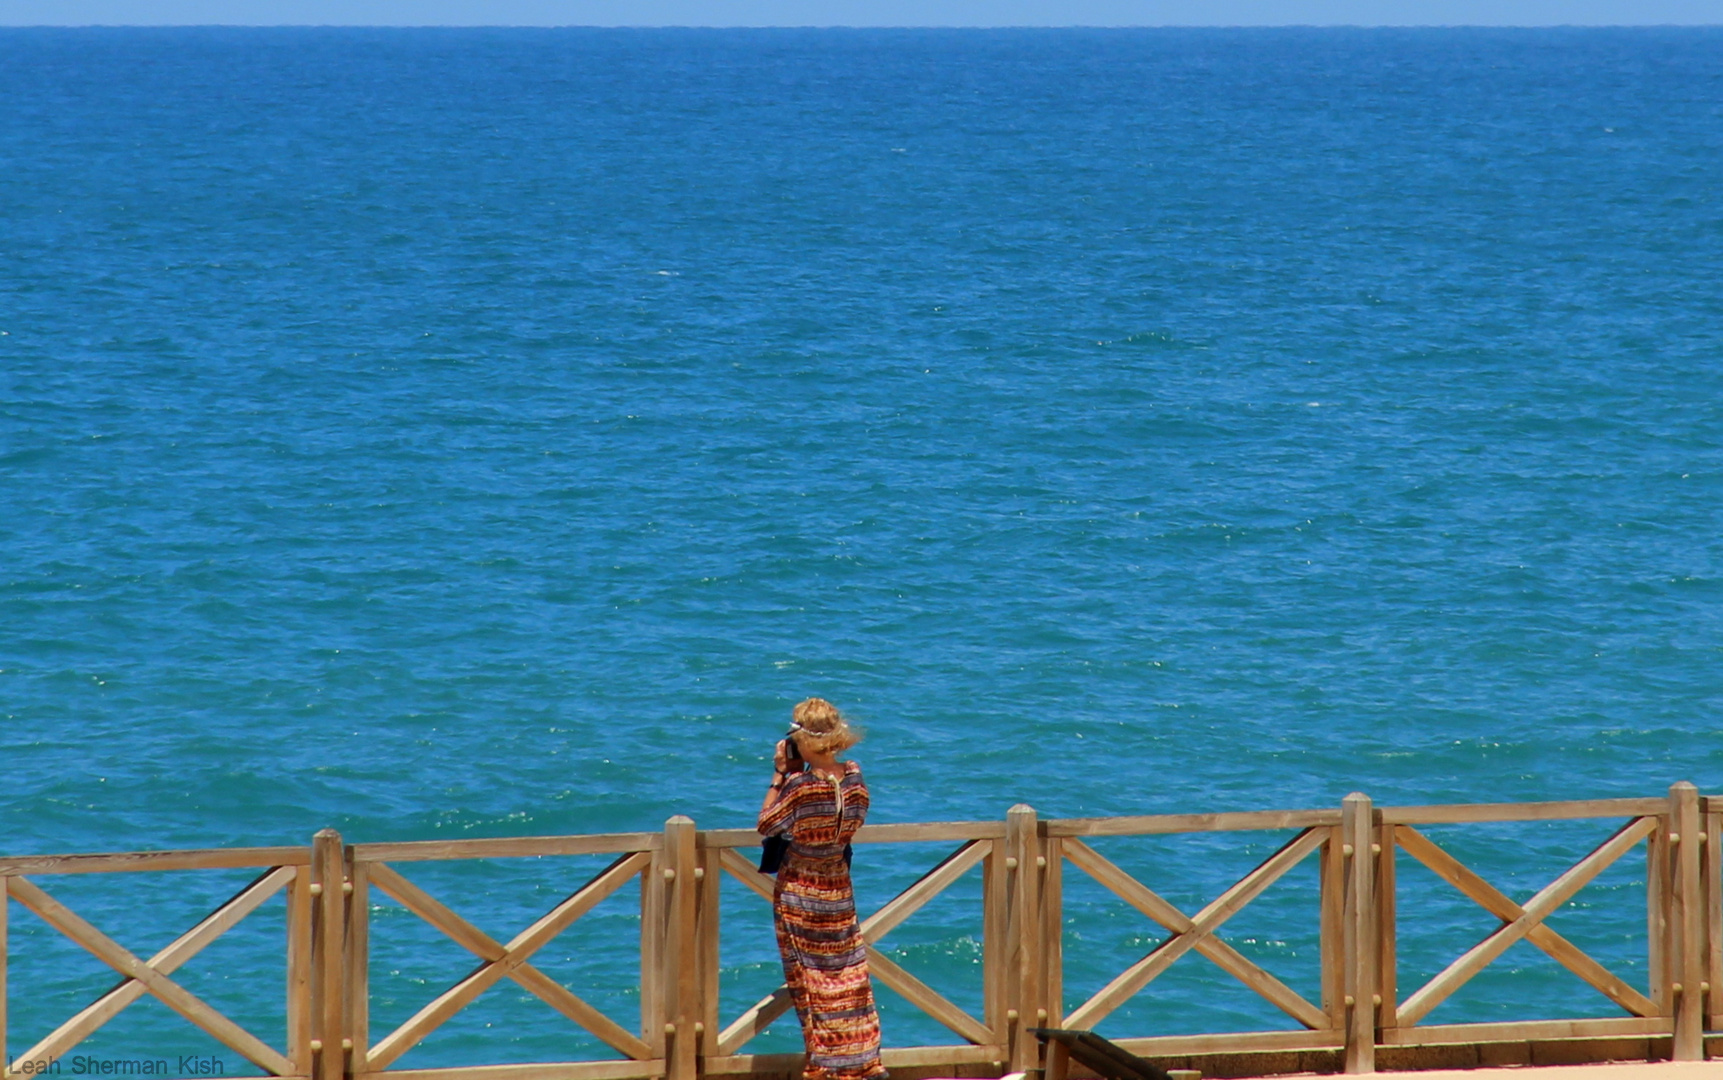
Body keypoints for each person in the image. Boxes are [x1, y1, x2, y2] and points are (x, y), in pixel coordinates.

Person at [758, 697, 887, 1080]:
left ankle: (825, 1066)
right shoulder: (855, 777)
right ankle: (864, 1060)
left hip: (802, 890)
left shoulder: (800, 785)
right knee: (849, 977)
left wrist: (779, 776)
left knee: (811, 981)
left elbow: (767, 824)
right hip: (838, 887)